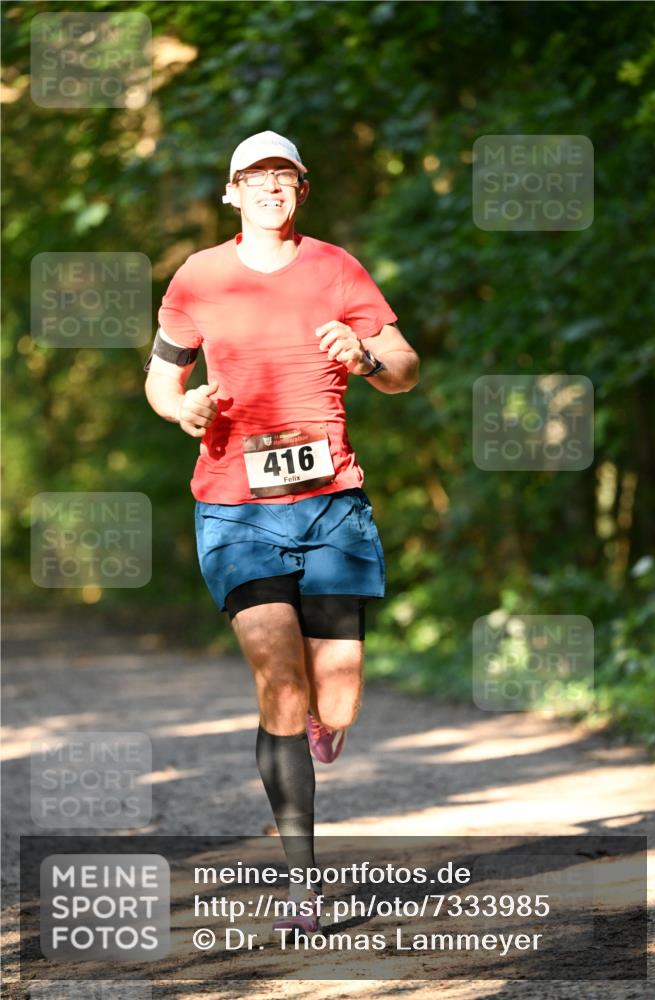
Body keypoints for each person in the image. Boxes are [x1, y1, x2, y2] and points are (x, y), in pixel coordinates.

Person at [144, 131, 419, 933]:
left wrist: (365, 355)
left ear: (302, 188)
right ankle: (305, 884)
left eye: (283, 177)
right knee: (280, 681)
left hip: (332, 506)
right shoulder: (199, 276)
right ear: (231, 192)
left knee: (335, 699)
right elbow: (164, 379)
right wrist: (180, 407)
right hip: (234, 507)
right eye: (253, 178)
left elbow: (404, 370)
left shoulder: (336, 268)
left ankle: (318, 727)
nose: (269, 188)